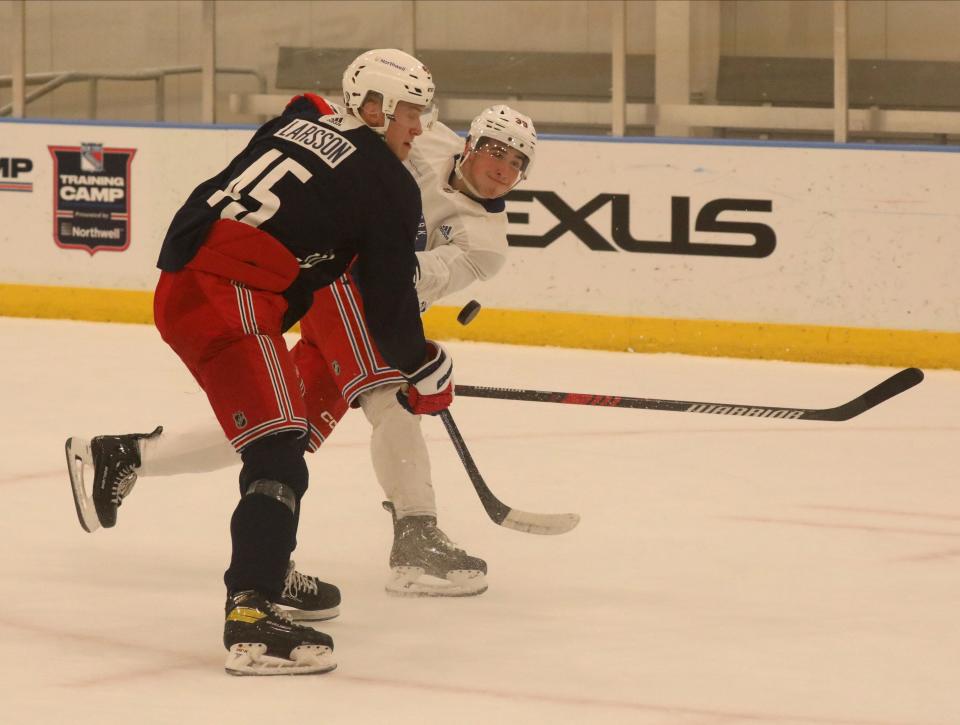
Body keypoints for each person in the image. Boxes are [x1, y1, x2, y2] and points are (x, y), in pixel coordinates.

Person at [69, 48, 455, 677]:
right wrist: (424, 364)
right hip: (232, 293)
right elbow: (388, 306)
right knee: (279, 446)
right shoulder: (390, 183)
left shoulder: (301, 119)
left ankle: (269, 565)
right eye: (410, 112)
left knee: (280, 430)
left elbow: (299, 152)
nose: (419, 127)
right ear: (377, 106)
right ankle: (250, 614)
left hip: (188, 280)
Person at [67, 104, 536, 600]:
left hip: (366, 299)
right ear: (469, 144)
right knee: (389, 394)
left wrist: (412, 346)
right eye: (495, 151)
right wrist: (416, 361)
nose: (503, 168)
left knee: (278, 433)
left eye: (517, 162)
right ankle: (417, 534)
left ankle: (125, 456)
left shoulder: (486, 244)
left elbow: (402, 280)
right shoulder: (427, 137)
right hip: (331, 270)